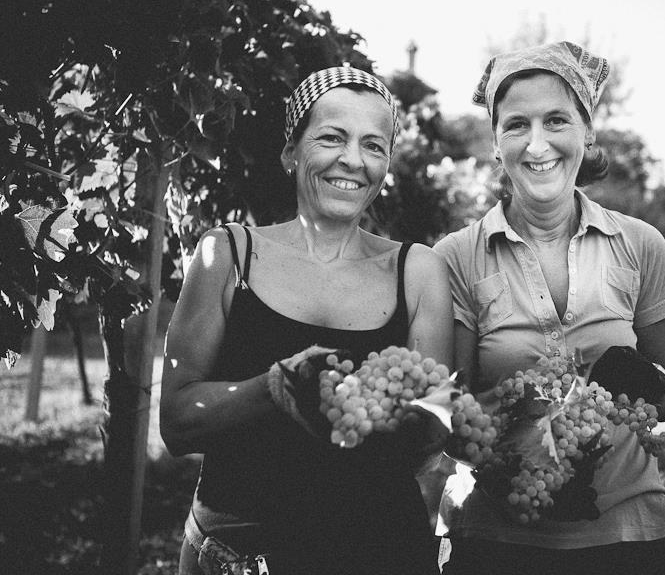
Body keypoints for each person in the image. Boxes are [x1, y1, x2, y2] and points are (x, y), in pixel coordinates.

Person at [160, 66, 453, 575]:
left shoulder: (417, 270)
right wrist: (275, 387)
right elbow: (178, 422)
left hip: (380, 552)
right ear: (290, 152)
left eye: (373, 145)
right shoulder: (228, 255)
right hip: (242, 554)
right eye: (332, 137)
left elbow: (432, 433)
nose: (353, 160)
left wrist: (416, 412)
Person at [433, 42, 665, 574]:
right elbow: (446, 410)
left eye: (556, 120)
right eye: (516, 125)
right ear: (496, 143)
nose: (537, 143)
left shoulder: (642, 245)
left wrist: (646, 381)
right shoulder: (455, 257)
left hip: (625, 534)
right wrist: (504, 439)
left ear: (586, 132)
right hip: (497, 537)